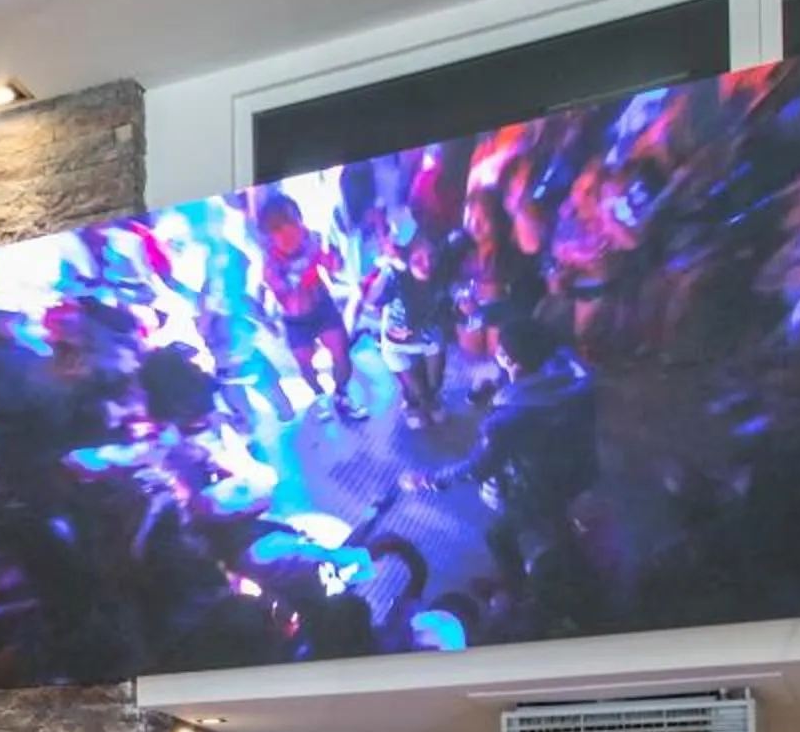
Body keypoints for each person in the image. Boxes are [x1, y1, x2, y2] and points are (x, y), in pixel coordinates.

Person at [405, 311, 600, 606]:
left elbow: (479, 466)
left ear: (510, 360)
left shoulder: (508, 419)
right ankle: (563, 555)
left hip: (538, 486)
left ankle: (520, 593)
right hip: (578, 468)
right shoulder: (577, 380)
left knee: (500, 535)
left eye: (501, 350)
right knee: (555, 521)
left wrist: (428, 480)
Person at [255, 192, 365, 424]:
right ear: (269, 234)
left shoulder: (313, 239)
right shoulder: (270, 263)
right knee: (305, 364)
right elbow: (286, 294)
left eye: (292, 221)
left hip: (322, 307)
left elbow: (336, 267)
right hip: (295, 320)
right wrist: (306, 268)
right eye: (278, 227)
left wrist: (331, 257)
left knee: (341, 353)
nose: (288, 231)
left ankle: (341, 395)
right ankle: (319, 397)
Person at [359, 222, 459, 428]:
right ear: (405, 258)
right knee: (416, 390)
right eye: (418, 259)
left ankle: (430, 400)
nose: (427, 265)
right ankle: (413, 402)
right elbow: (369, 299)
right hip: (396, 343)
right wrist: (385, 266)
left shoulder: (442, 273)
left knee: (434, 384)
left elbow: (456, 294)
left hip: (430, 337)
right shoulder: (394, 275)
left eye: (431, 257)